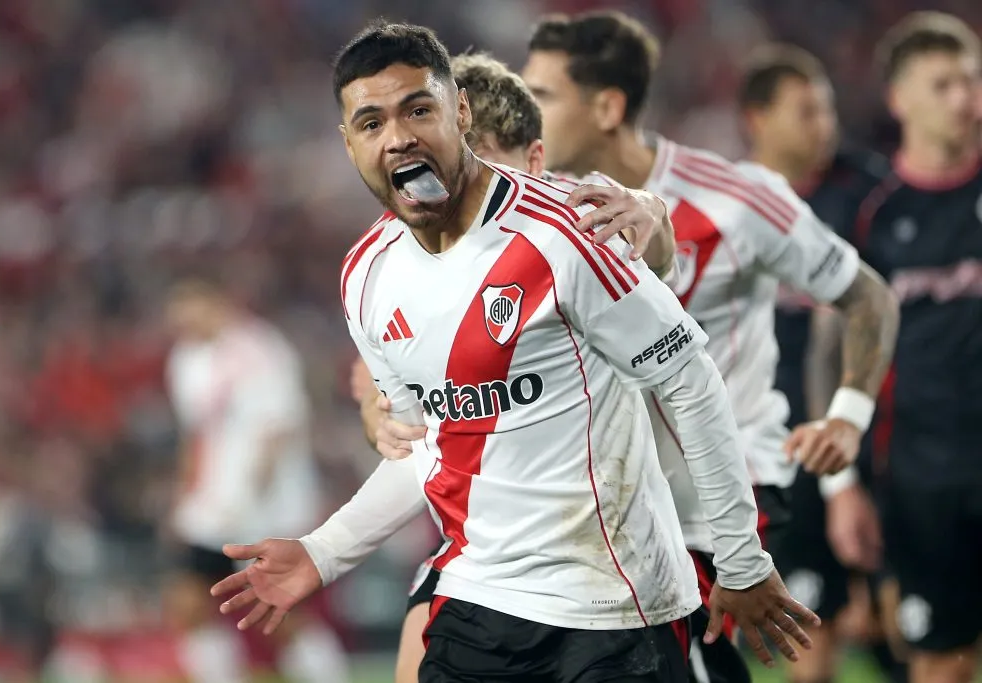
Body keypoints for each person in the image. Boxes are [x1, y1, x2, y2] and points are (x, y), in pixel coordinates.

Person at [214, 21, 819, 683]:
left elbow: (690, 380)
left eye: (419, 109)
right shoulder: (367, 276)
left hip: (614, 609)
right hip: (483, 600)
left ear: (459, 111)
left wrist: (741, 559)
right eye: (371, 122)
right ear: (348, 141)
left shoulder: (563, 234)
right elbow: (431, 445)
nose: (398, 137)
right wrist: (324, 551)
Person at [518, 9, 899, 680]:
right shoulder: (544, 212)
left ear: (606, 106)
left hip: (731, 496)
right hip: (622, 500)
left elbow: (866, 294)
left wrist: (848, 415)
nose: (526, 107)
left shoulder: (735, 198)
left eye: (543, 93)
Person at [345, 51, 681, 683]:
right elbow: (390, 392)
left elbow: (658, 260)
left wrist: (652, 207)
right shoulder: (401, 260)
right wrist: (379, 416)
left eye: (482, 163)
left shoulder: (576, 230)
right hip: (483, 558)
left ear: (532, 162)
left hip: (623, 552)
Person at [738, 43, 907, 683]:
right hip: (779, 448)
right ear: (757, 117)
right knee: (809, 628)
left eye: (828, 109)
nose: (824, 125)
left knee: (900, 629)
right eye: (806, 111)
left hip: (872, 433)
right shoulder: (729, 208)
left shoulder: (868, 196)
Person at [852, 13, 982, 683]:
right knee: (939, 662)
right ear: (901, 99)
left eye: (972, 80)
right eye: (945, 84)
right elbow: (843, 351)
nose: (967, 98)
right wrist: (844, 486)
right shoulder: (872, 213)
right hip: (921, 477)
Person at [162, 276, 350, 683]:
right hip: (210, 508)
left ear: (217, 302)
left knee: (276, 609)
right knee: (189, 603)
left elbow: (278, 430)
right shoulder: (185, 358)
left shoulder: (260, 349)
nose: (181, 317)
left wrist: (250, 501)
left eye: (190, 305)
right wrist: (185, 496)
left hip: (264, 506)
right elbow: (195, 434)